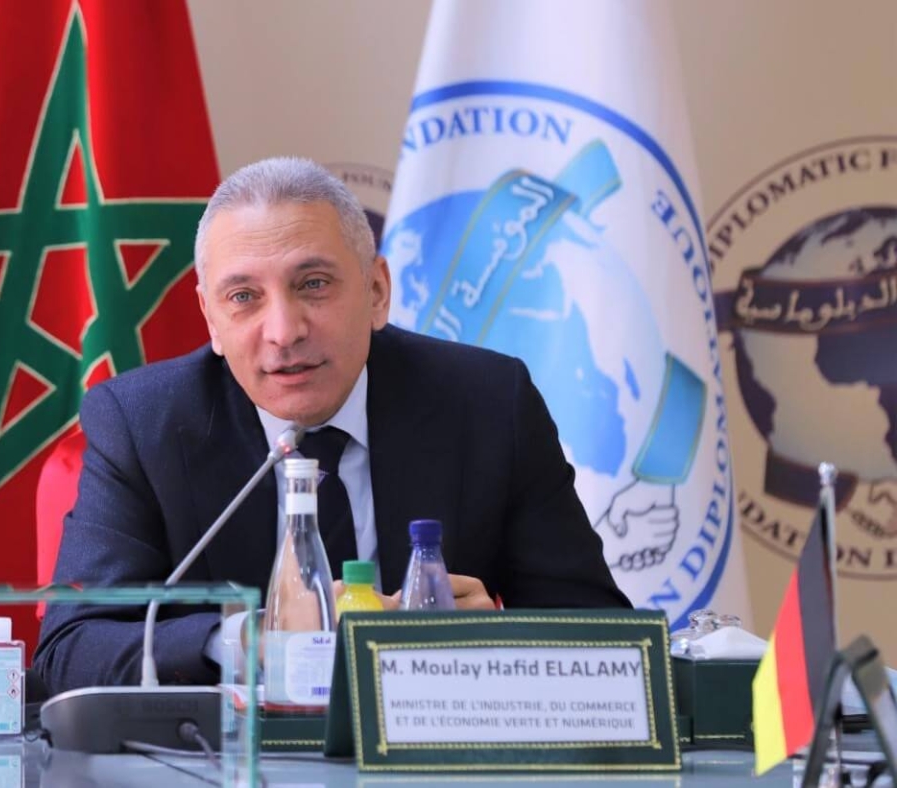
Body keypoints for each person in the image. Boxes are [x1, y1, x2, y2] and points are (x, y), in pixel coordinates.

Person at [34, 157, 628, 694]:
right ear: (210, 319)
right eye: (243, 297)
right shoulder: (143, 423)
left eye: (313, 285)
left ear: (376, 291)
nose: (284, 331)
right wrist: (255, 642)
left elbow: (607, 639)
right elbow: (72, 649)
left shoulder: (490, 404)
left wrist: (494, 643)